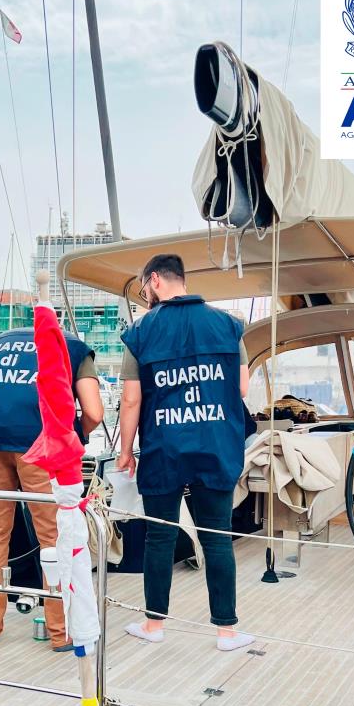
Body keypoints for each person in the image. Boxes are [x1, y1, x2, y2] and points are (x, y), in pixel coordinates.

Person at [116, 253, 253, 652]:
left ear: (155, 280)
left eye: (144, 287)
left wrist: (125, 451)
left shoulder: (140, 332)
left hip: (164, 448)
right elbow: (242, 388)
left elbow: (131, 400)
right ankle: (226, 632)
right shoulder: (228, 325)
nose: (145, 295)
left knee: (159, 537)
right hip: (215, 445)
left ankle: (154, 624)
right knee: (217, 538)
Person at [0, 318, 104, 650]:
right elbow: (94, 412)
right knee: (55, 537)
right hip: (42, 441)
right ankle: (61, 631)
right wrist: (74, 435)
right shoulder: (74, 347)